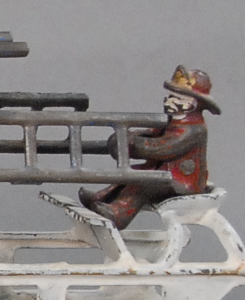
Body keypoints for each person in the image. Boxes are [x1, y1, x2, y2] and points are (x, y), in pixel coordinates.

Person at [78, 65, 220, 229]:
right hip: (166, 174)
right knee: (133, 173)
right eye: (170, 96)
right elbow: (152, 134)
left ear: (193, 104)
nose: (170, 101)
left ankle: (119, 214)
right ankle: (102, 198)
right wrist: (128, 137)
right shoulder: (174, 121)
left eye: (178, 99)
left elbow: (163, 148)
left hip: (182, 183)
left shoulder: (193, 129)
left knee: (144, 184)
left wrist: (132, 145)